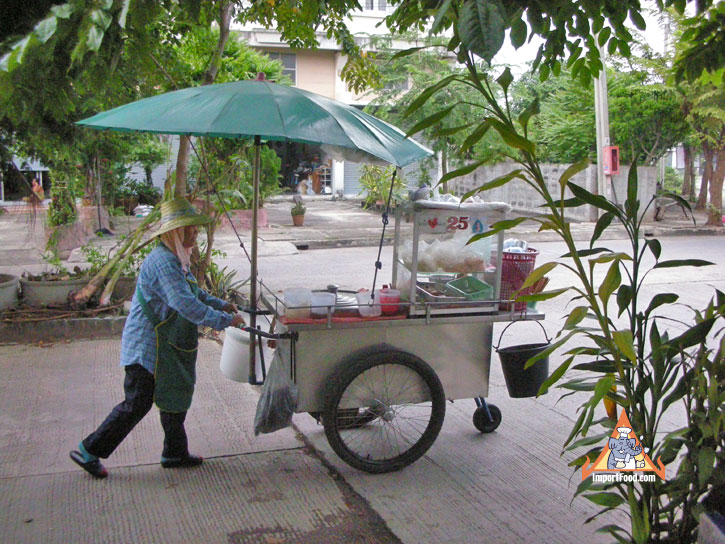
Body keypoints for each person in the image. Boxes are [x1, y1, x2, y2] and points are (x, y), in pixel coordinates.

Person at [69, 197, 245, 478]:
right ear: (174, 232)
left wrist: (220, 304)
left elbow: (194, 294)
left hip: (165, 346)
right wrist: (225, 321)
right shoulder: (163, 262)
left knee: (173, 395)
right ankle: (89, 449)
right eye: (190, 228)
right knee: (137, 403)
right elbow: (185, 304)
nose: (195, 233)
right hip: (146, 347)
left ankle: (174, 452)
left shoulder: (176, 259)